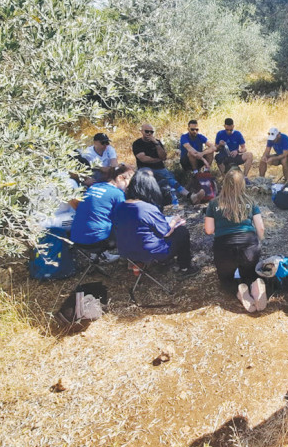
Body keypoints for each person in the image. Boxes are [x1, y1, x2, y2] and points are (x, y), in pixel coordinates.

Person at [113, 170, 197, 276]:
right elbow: (166, 232)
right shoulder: (147, 208)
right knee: (182, 232)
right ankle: (185, 268)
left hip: (125, 251)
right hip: (150, 252)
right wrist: (175, 220)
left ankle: (141, 264)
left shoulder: (119, 207)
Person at [204, 169, 267, 312]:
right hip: (249, 245)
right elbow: (261, 228)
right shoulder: (250, 202)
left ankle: (239, 292)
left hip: (224, 247)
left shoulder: (214, 204)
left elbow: (208, 230)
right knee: (249, 273)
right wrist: (259, 242)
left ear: (225, 184)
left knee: (225, 280)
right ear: (242, 184)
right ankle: (252, 285)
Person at [69, 164, 135, 262]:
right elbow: (122, 219)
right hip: (97, 241)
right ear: (120, 178)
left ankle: (99, 256)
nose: (127, 187)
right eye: (128, 182)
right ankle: (133, 259)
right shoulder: (117, 193)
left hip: (75, 237)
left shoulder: (94, 186)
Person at [132, 123, 205, 205]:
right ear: (141, 131)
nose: (149, 133)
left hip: (160, 168)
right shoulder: (137, 143)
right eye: (147, 131)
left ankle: (191, 196)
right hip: (144, 169)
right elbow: (143, 159)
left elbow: (163, 156)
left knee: (171, 180)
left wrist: (156, 144)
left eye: (151, 132)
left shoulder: (157, 142)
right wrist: (157, 159)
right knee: (146, 181)